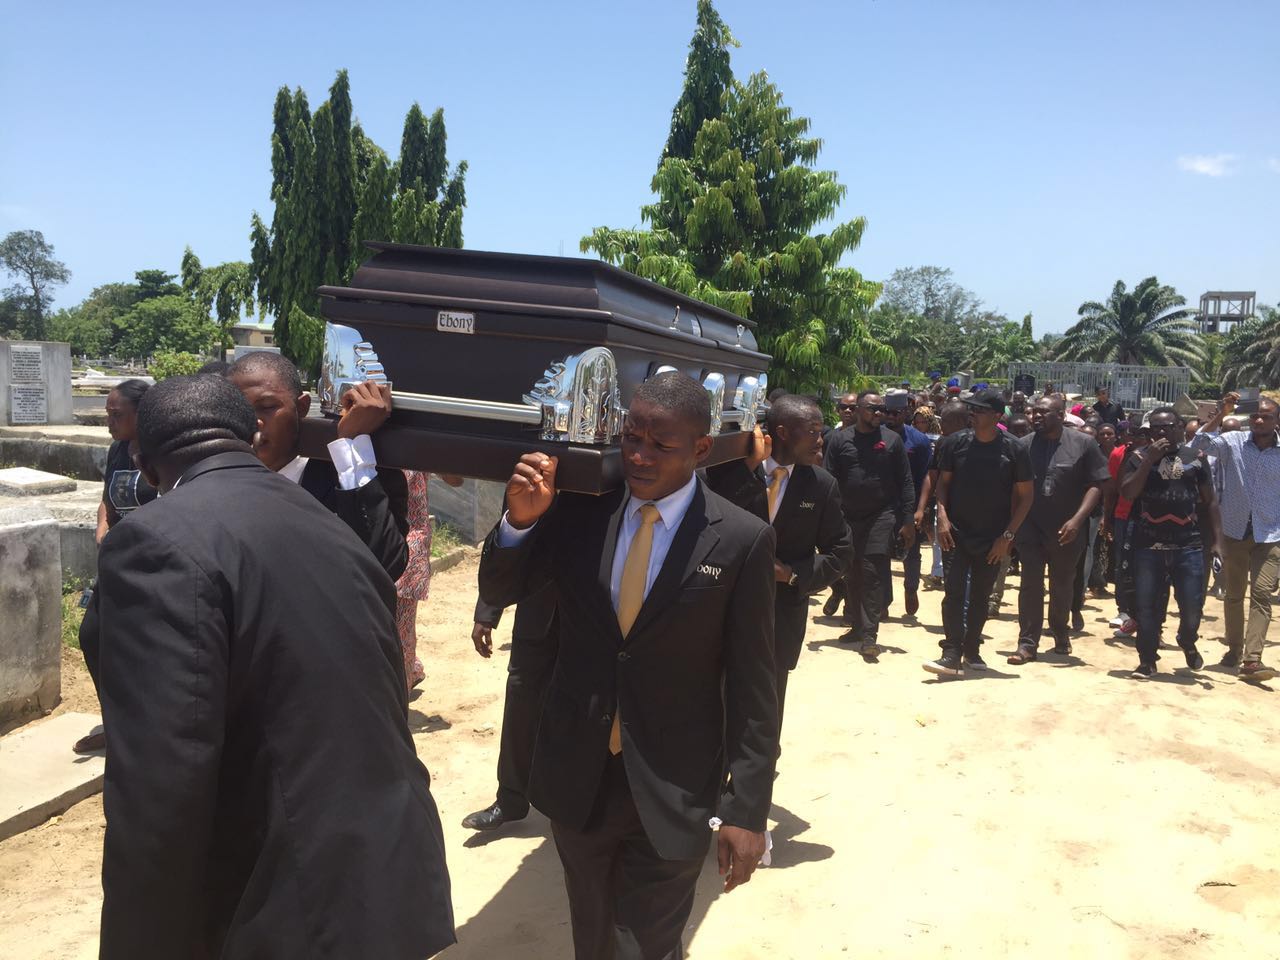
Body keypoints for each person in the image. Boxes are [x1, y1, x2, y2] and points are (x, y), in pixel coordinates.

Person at [85, 374, 454, 959]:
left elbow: (162, 779)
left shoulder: (155, 542)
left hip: (287, 904)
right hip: (390, 872)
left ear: (144, 465)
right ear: (249, 435)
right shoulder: (332, 524)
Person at [477, 371, 778, 959]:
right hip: (579, 777)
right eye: (631, 437)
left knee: (647, 943)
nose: (639, 455)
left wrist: (747, 810)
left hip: (674, 784)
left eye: (660, 444)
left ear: (700, 448)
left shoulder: (741, 540)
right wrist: (520, 523)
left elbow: (754, 686)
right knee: (592, 936)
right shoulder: (580, 511)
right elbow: (501, 588)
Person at [707, 396, 852, 743]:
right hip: (722, 609)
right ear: (783, 432)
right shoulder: (732, 471)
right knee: (714, 698)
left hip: (779, 615)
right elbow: (713, 516)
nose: (820, 440)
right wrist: (749, 468)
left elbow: (841, 552)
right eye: (813, 431)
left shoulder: (821, 485)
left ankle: (761, 765)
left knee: (766, 704)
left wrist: (792, 573)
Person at [227, 352, 407, 580]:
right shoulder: (217, 482)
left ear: (301, 407)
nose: (255, 421)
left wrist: (351, 443)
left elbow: (384, 564)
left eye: (268, 406)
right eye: (239, 410)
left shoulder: (352, 478)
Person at [923, 391, 1033, 677]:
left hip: (994, 537)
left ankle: (972, 650)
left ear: (997, 416)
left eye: (980, 410)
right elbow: (942, 484)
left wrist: (1007, 537)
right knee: (954, 593)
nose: (973, 414)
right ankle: (951, 653)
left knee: (981, 595)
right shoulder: (955, 443)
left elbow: (1026, 497)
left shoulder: (1014, 449)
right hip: (955, 533)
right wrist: (942, 518)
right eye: (971, 409)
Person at [75, 378, 157, 755]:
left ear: (141, 414)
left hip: (152, 563)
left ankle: (146, 729)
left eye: (116, 415)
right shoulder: (118, 450)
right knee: (93, 636)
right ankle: (115, 724)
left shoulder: (161, 450)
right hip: (116, 560)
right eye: (108, 414)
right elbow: (106, 498)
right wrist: (102, 525)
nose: (109, 422)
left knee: (143, 649)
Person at [1120, 408, 1222, 679]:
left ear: (1180, 427)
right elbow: (1128, 492)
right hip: (1148, 545)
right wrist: (1149, 460)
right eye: (1155, 427)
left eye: (1167, 426)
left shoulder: (1196, 457)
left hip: (1188, 545)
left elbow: (1210, 501)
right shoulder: (1137, 457)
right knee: (1147, 607)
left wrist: (1217, 542)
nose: (1161, 431)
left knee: (1192, 607)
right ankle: (1147, 660)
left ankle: (1187, 640)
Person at [1007, 396, 1110, 665]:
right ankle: (1027, 643)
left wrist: (1077, 520)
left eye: (1044, 412)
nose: (1036, 416)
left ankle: (1060, 631)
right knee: (1030, 584)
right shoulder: (1023, 446)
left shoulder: (1084, 444)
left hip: (1067, 529)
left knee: (1062, 584)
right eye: (1034, 412)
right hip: (1031, 527)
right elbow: (1013, 489)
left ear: (1061, 415)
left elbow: (1097, 484)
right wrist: (1011, 529)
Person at [1189, 393, 1280, 681]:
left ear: (1277, 421)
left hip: (1271, 533)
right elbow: (1196, 447)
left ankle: (1252, 659)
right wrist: (1221, 413)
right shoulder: (1233, 441)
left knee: (1262, 593)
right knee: (1234, 594)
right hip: (1234, 531)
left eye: (1266, 416)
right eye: (1255, 415)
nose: (1259, 420)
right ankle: (1234, 649)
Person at [824, 390, 915, 658]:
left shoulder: (892, 440)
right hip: (847, 517)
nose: (879, 414)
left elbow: (906, 481)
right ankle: (856, 625)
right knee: (851, 571)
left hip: (881, 515)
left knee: (872, 570)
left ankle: (870, 635)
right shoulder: (839, 440)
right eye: (873, 409)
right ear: (859, 410)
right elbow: (828, 479)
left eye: (882, 409)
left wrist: (908, 520)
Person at [462, 586, 559, 833]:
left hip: (594, 620)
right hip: (537, 618)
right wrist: (487, 612)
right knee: (520, 702)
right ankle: (511, 798)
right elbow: (508, 561)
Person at [883, 390, 932, 617]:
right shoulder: (876, 435)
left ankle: (911, 588)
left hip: (908, 504)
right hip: (881, 505)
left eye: (896, 413)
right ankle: (882, 601)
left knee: (911, 551)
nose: (891, 417)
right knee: (880, 553)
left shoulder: (919, 441)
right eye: (887, 412)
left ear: (906, 412)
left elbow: (926, 477)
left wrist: (921, 509)